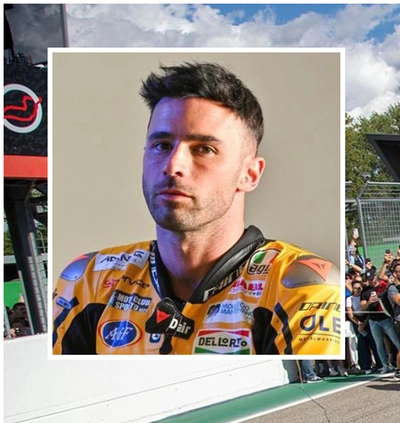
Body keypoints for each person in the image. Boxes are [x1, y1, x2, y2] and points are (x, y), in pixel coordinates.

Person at [52, 62, 340, 355]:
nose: (173, 165)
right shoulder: (88, 280)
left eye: (204, 149)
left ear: (250, 174)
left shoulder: (300, 285)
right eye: (161, 145)